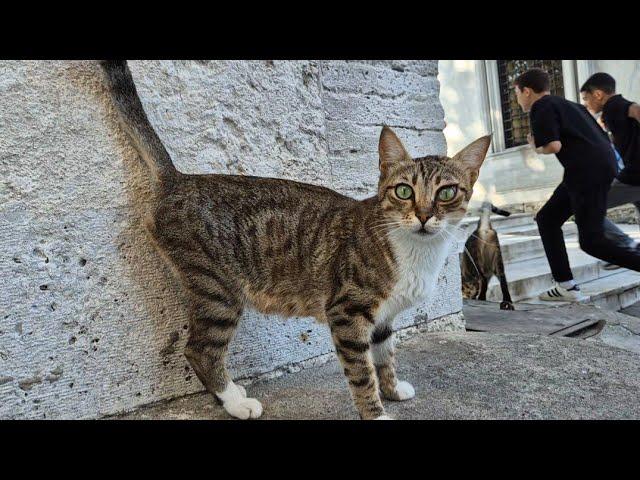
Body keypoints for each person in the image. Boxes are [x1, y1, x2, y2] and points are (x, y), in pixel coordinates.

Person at [514, 68, 640, 302]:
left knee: (592, 241)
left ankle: (568, 285)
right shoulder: (572, 105)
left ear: (527, 91)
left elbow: (553, 146)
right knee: (547, 219)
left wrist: (535, 146)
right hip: (595, 169)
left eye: (518, 94)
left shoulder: (540, 106)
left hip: (586, 172)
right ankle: (566, 286)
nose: (518, 100)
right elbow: (600, 137)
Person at [580, 73, 640, 270]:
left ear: (598, 94)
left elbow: (635, 109)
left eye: (586, 98)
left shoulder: (614, 104)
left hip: (634, 177)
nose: (587, 104)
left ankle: (625, 245)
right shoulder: (611, 112)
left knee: (586, 204)